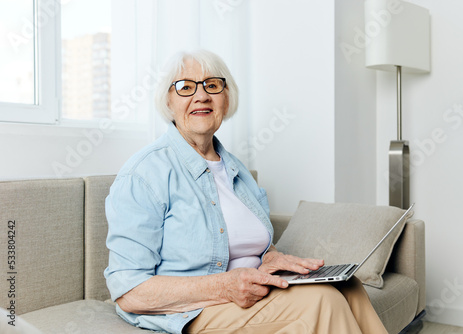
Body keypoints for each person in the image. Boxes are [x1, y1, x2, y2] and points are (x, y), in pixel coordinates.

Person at [104, 49, 388, 334]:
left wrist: (271, 257)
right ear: (168, 100)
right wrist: (224, 286)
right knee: (324, 301)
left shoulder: (236, 170)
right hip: (193, 310)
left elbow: (246, 241)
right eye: (186, 87)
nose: (201, 96)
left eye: (212, 85)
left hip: (250, 293)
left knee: (348, 286)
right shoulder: (144, 174)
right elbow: (129, 291)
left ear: (226, 99)